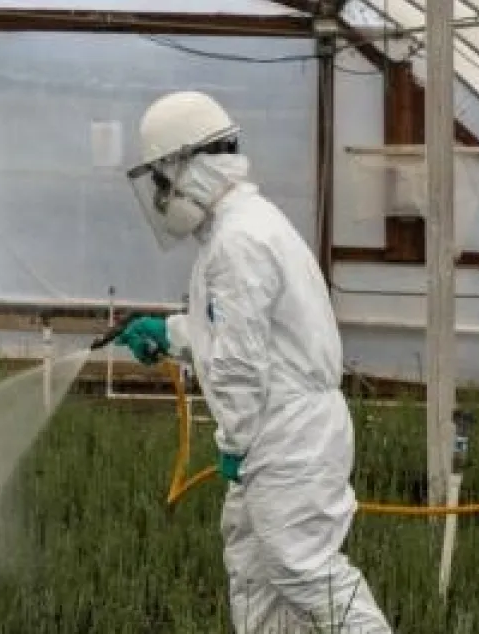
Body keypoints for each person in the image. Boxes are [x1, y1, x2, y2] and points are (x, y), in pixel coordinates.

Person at [91, 90, 393, 633]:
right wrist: (170, 331)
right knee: (256, 578)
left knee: (304, 572)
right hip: (274, 428)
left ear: (189, 165)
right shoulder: (239, 229)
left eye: (164, 181)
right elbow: (236, 333)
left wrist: (234, 442)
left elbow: (239, 362)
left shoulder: (240, 239)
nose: (162, 197)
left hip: (285, 433)